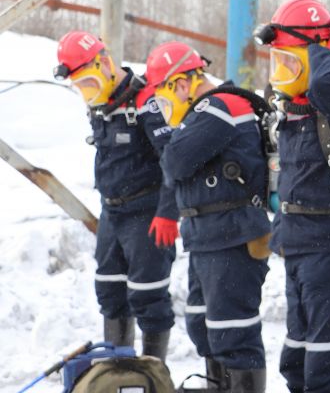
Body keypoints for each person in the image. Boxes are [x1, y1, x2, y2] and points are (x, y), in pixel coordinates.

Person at [254, 0, 330, 393]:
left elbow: (324, 80)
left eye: (291, 61)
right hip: (300, 249)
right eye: (278, 62)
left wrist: (324, 44)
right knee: (297, 364)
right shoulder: (292, 112)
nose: (281, 74)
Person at [145, 41, 271, 392]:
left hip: (232, 234)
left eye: (164, 97)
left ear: (182, 84)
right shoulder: (204, 112)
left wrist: (175, 145)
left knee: (233, 333)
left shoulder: (218, 106)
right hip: (209, 234)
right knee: (204, 326)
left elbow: (175, 162)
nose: (163, 108)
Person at [54, 31, 177, 361]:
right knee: (110, 291)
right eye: (81, 88)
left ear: (104, 63)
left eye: (90, 83)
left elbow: (173, 161)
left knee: (148, 295)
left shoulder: (146, 101)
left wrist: (168, 212)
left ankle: (153, 373)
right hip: (112, 212)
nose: (87, 94)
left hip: (147, 212)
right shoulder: (100, 106)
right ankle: (119, 371)